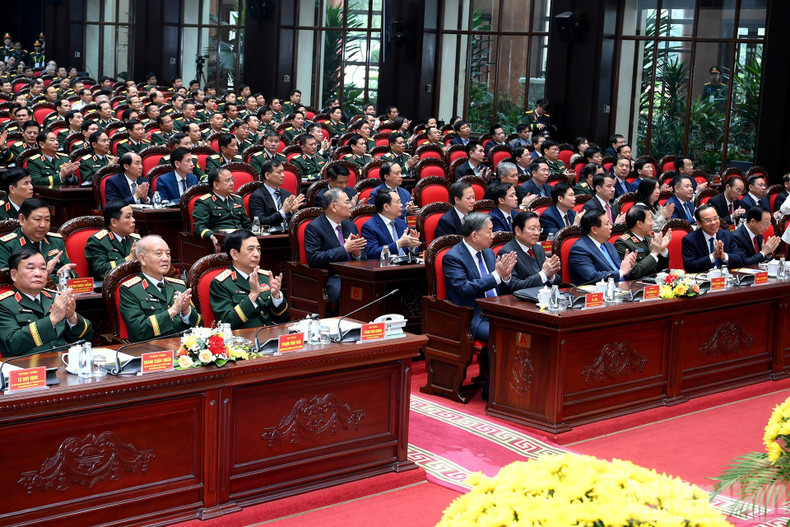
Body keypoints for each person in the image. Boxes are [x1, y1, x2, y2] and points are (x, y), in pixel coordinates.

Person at [0, 246, 92, 356]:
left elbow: (87, 336)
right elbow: (13, 344)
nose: (38, 274)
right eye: (31, 268)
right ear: (14, 274)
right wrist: (52, 319)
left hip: (62, 363)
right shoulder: (4, 304)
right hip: (26, 368)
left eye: (43, 269)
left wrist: (72, 317)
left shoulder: (55, 298)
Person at [443, 212, 516, 342]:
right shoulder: (453, 257)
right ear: (475, 236)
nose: (493, 236)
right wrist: (496, 275)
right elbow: (464, 289)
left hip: (500, 311)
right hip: (475, 316)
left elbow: (499, 287)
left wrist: (505, 277)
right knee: (504, 338)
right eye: (489, 232)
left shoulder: (488, 252)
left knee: (529, 331)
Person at [120, 235, 201, 341]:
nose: (165, 258)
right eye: (159, 254)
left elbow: (200, 325)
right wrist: (173, 311)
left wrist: (187, 311)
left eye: (168, 254)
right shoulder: (130, 290)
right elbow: (138, 330)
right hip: (152, 351)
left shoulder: (178, 285)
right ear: (142, 259)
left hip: (183, 349)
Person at [209, 229, 289, 329]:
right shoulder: (221, 284)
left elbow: (282, 319)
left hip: (269, 337)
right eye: (250, 249)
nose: (257, 254)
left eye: (258, 249)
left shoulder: (265, 277)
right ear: (234, 254)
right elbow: (227, 323)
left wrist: (276, 296)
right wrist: (253, 295)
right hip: (242, 341)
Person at [304, 187, 367, 302]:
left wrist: (357, 254)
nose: (351, 206)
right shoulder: (314, 227)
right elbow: (313, 258)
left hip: (355, 274)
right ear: (334, 206)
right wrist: (344, 249)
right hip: (332, 276)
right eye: (347, 202)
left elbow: (364, 257)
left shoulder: (350, 226)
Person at [0, 198, 75, 279]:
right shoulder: (6, 245)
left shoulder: (56, 241)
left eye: (47, 220)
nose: (43, 225)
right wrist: (45, 271)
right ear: (22, 219)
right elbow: (6, 280)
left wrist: (66, 273)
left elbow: (73, 274)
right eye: (37, 219)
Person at [568, 209, 637, 284]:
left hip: (624, 288)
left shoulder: (608, 245)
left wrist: (628, 266)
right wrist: (621, 272)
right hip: (599, 293)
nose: (611, 227)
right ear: (594, 229)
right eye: (607, 224)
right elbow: (592, 277)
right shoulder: (580, 249)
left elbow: (621, 271)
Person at [500, 211, 561, 289]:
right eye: (532, 229)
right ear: (518, 231)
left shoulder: (538, 248)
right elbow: (514, 286)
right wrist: (543, 274)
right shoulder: (507, 253)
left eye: (539, 229)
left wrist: (551, 276)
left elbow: (558, 283)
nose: (537, 233)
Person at [192, 168, 252, 247]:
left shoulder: (237, 199)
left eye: (232, 180)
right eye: (227, 181)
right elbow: (199, 227)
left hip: (241, 240)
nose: (232, 183)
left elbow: (247, 224)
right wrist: (211, 236)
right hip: (222, 241)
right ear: (216, 185)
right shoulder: (204, 202)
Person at [84, 200, 140, 279]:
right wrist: (129, 259)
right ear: (114, 222)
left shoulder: (135, 239)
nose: (133, 220)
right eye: (128, 217)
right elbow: (100, 271)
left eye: (132, 216)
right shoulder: (97, 241)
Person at [681, 204, 745, 273]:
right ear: (699, 223)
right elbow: (690, 266)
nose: (713, 223)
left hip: (726, 279)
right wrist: (713, 257)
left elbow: (740, 259)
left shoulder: (727, 235)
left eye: (715, 218)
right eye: (708, 220)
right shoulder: (690, 240)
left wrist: (724, 256)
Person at [361, 188, 420, 260]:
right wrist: (398, 244)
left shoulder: (401, 223)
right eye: (398, 202)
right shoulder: (370, 227)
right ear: (386, 207)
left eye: (400, 202)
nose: (401, 205)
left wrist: (412, 245)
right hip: (387, 268)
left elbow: (413, 252)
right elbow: (373, 253)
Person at [615, 206, 671, 280]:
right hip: (637, 286)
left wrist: (662, 250)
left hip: (654, 283)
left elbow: (661, 269)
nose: (653, 223)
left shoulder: (649, 238)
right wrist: (654, 253)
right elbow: (634, 273)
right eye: (650, 220)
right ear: (639, 224)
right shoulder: (622, 243)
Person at [249, 159, 305, 227]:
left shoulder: (287, 194)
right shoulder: (257, 196)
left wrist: (293, 211)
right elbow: (260, 222)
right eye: (279, 172)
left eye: (283, 171)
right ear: (267, 175)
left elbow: (293, 223)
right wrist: (283, 212)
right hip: (270, 236)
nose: (283, 175)